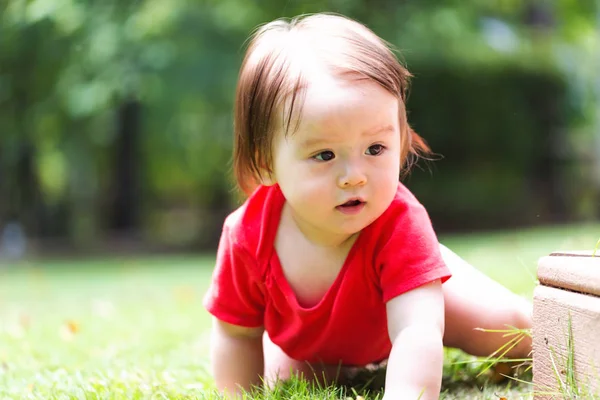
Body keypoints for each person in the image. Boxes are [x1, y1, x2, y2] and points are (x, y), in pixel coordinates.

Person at [203, 13, 532, 400]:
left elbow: (417, 330)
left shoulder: (398, 223)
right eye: (324, 155)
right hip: (313, 346)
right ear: (266, 163)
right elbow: (236, 334)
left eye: (375, 149)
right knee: (284, 380)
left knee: (509, 327)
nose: (354, 176)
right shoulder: (248, 236)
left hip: (421, 300)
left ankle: (545, 332)